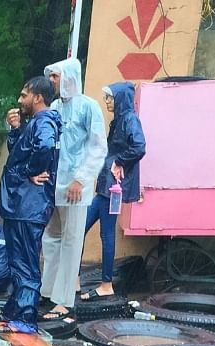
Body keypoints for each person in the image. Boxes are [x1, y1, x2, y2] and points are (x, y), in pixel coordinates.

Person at [40, 58, 106, 320]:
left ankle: (65, 300)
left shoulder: (89, 107)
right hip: (54, 185)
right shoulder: (54, 107)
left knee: (71, 241)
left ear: (69, 76)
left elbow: (98, 146)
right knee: (51, 238)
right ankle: (48, 291)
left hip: (77, 188)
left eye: (55, 76)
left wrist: (81, 179)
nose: (51, 81)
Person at [0, 77, 61, 334]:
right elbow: (20, 153)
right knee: (17, 260)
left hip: (29, 206)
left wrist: (32, 171)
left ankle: (25, 318)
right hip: (20, 205)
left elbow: (44, 147)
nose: (20, 100)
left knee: (25, 262)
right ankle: (14, 309)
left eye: (24, 95)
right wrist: (15, 130)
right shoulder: (34, 123)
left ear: (37, 97)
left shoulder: (44, 121)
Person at [81, 81, 146, 300]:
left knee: (106, 235)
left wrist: (119, 160)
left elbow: (139, 146)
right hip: (104, 189)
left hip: (113, 188)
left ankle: (107, 283)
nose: (106, 101)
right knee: (80, 227)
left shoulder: (129, 119)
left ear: (120, 99)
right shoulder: (119, 120)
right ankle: (74, 279)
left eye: (110, 98)